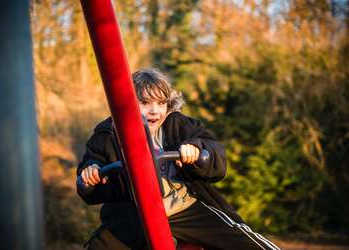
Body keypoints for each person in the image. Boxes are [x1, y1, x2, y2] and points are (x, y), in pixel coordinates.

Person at [76, 68, 280, 250]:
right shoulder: (107, 136)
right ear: (128, 104)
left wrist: (197, 151)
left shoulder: (179, 126)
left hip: (183, 206)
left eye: (161, 103)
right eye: (145, 103)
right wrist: (91, 174)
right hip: (134, 214)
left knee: (242, 240)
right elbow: (92, 173)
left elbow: (214, 152)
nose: (154, 110)